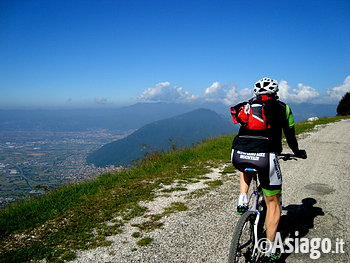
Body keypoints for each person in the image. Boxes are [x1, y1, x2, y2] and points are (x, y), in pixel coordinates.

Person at [230, 77, 307, 263]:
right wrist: (298, 152)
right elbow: (290, 135)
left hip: (238, 153)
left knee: (246, 162)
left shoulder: (247, 106)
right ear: (275, 92)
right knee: (273, 203)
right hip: (266, 157)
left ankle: (242, 198)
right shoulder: (283, 108)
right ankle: (270, 250)